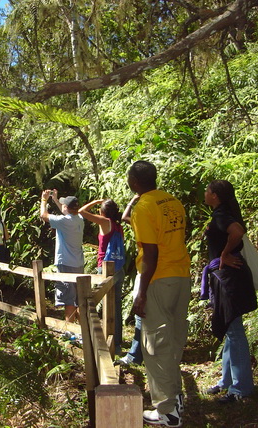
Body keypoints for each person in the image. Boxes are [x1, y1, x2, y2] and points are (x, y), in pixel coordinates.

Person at [127, 160, 191, 427]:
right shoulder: (172, 201)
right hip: (181, 276)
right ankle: (174, 398)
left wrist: (141, 292)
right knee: (173, 339)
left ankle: (167, 411)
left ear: (134, 182)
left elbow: (151, 252)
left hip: (158, 279)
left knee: (154, 345)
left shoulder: (143, 206)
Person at [202, 180, 257, 404]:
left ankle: (241, 388)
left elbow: (237, 231)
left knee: (234, 330)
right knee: (229, 327)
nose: (204, 193)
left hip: (229, 278)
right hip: (227, 277)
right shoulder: (225, 212)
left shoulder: (222, 215)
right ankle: (226, 381)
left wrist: (224, 254)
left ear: (215, 195)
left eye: (207, 190)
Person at [78, 198, 125, 355]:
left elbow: (81, 212)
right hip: (119, 268)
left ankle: (108, 340)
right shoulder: (118, 226)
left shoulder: (105, 222)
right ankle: (117, 342)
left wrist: (95, 201)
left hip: (105, 268)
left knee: (106, 305)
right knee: (116, 305)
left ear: (103, 211)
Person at [40, 189, 84, 322]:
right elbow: (66, 211)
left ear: (66, 207)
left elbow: (43, 215)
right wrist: (55, 201)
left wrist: (44, 200)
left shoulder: (64, 222)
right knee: (78, 297)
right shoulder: (79, 219)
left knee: (68, 299)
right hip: (78, 264)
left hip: (66, 263)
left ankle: (69, 331)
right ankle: (81, 330)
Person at [115, 194, 144, 366]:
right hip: (169, 270)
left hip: (146, 269)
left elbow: (125, 216)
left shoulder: (143, 222)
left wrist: (131, 201)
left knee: (141, 313)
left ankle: (135, 355)